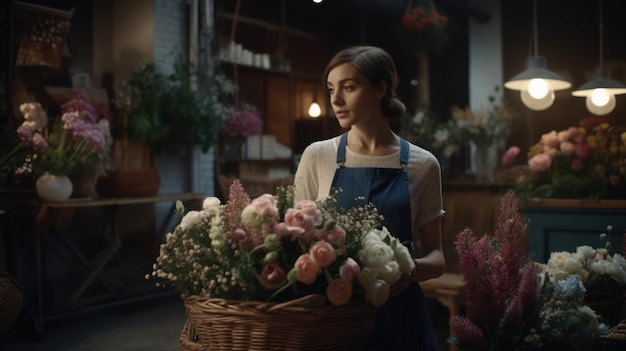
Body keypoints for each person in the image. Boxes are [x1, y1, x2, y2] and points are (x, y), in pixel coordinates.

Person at [293, 45, 445, 350]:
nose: (335, 99)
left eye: (348, 87)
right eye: (331, 88)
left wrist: (407, 269)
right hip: (336, 315)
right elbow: (296, 243)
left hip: (401, 317)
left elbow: (437, 258)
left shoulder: (422, 163)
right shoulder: (318, 156)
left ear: (380, 89)